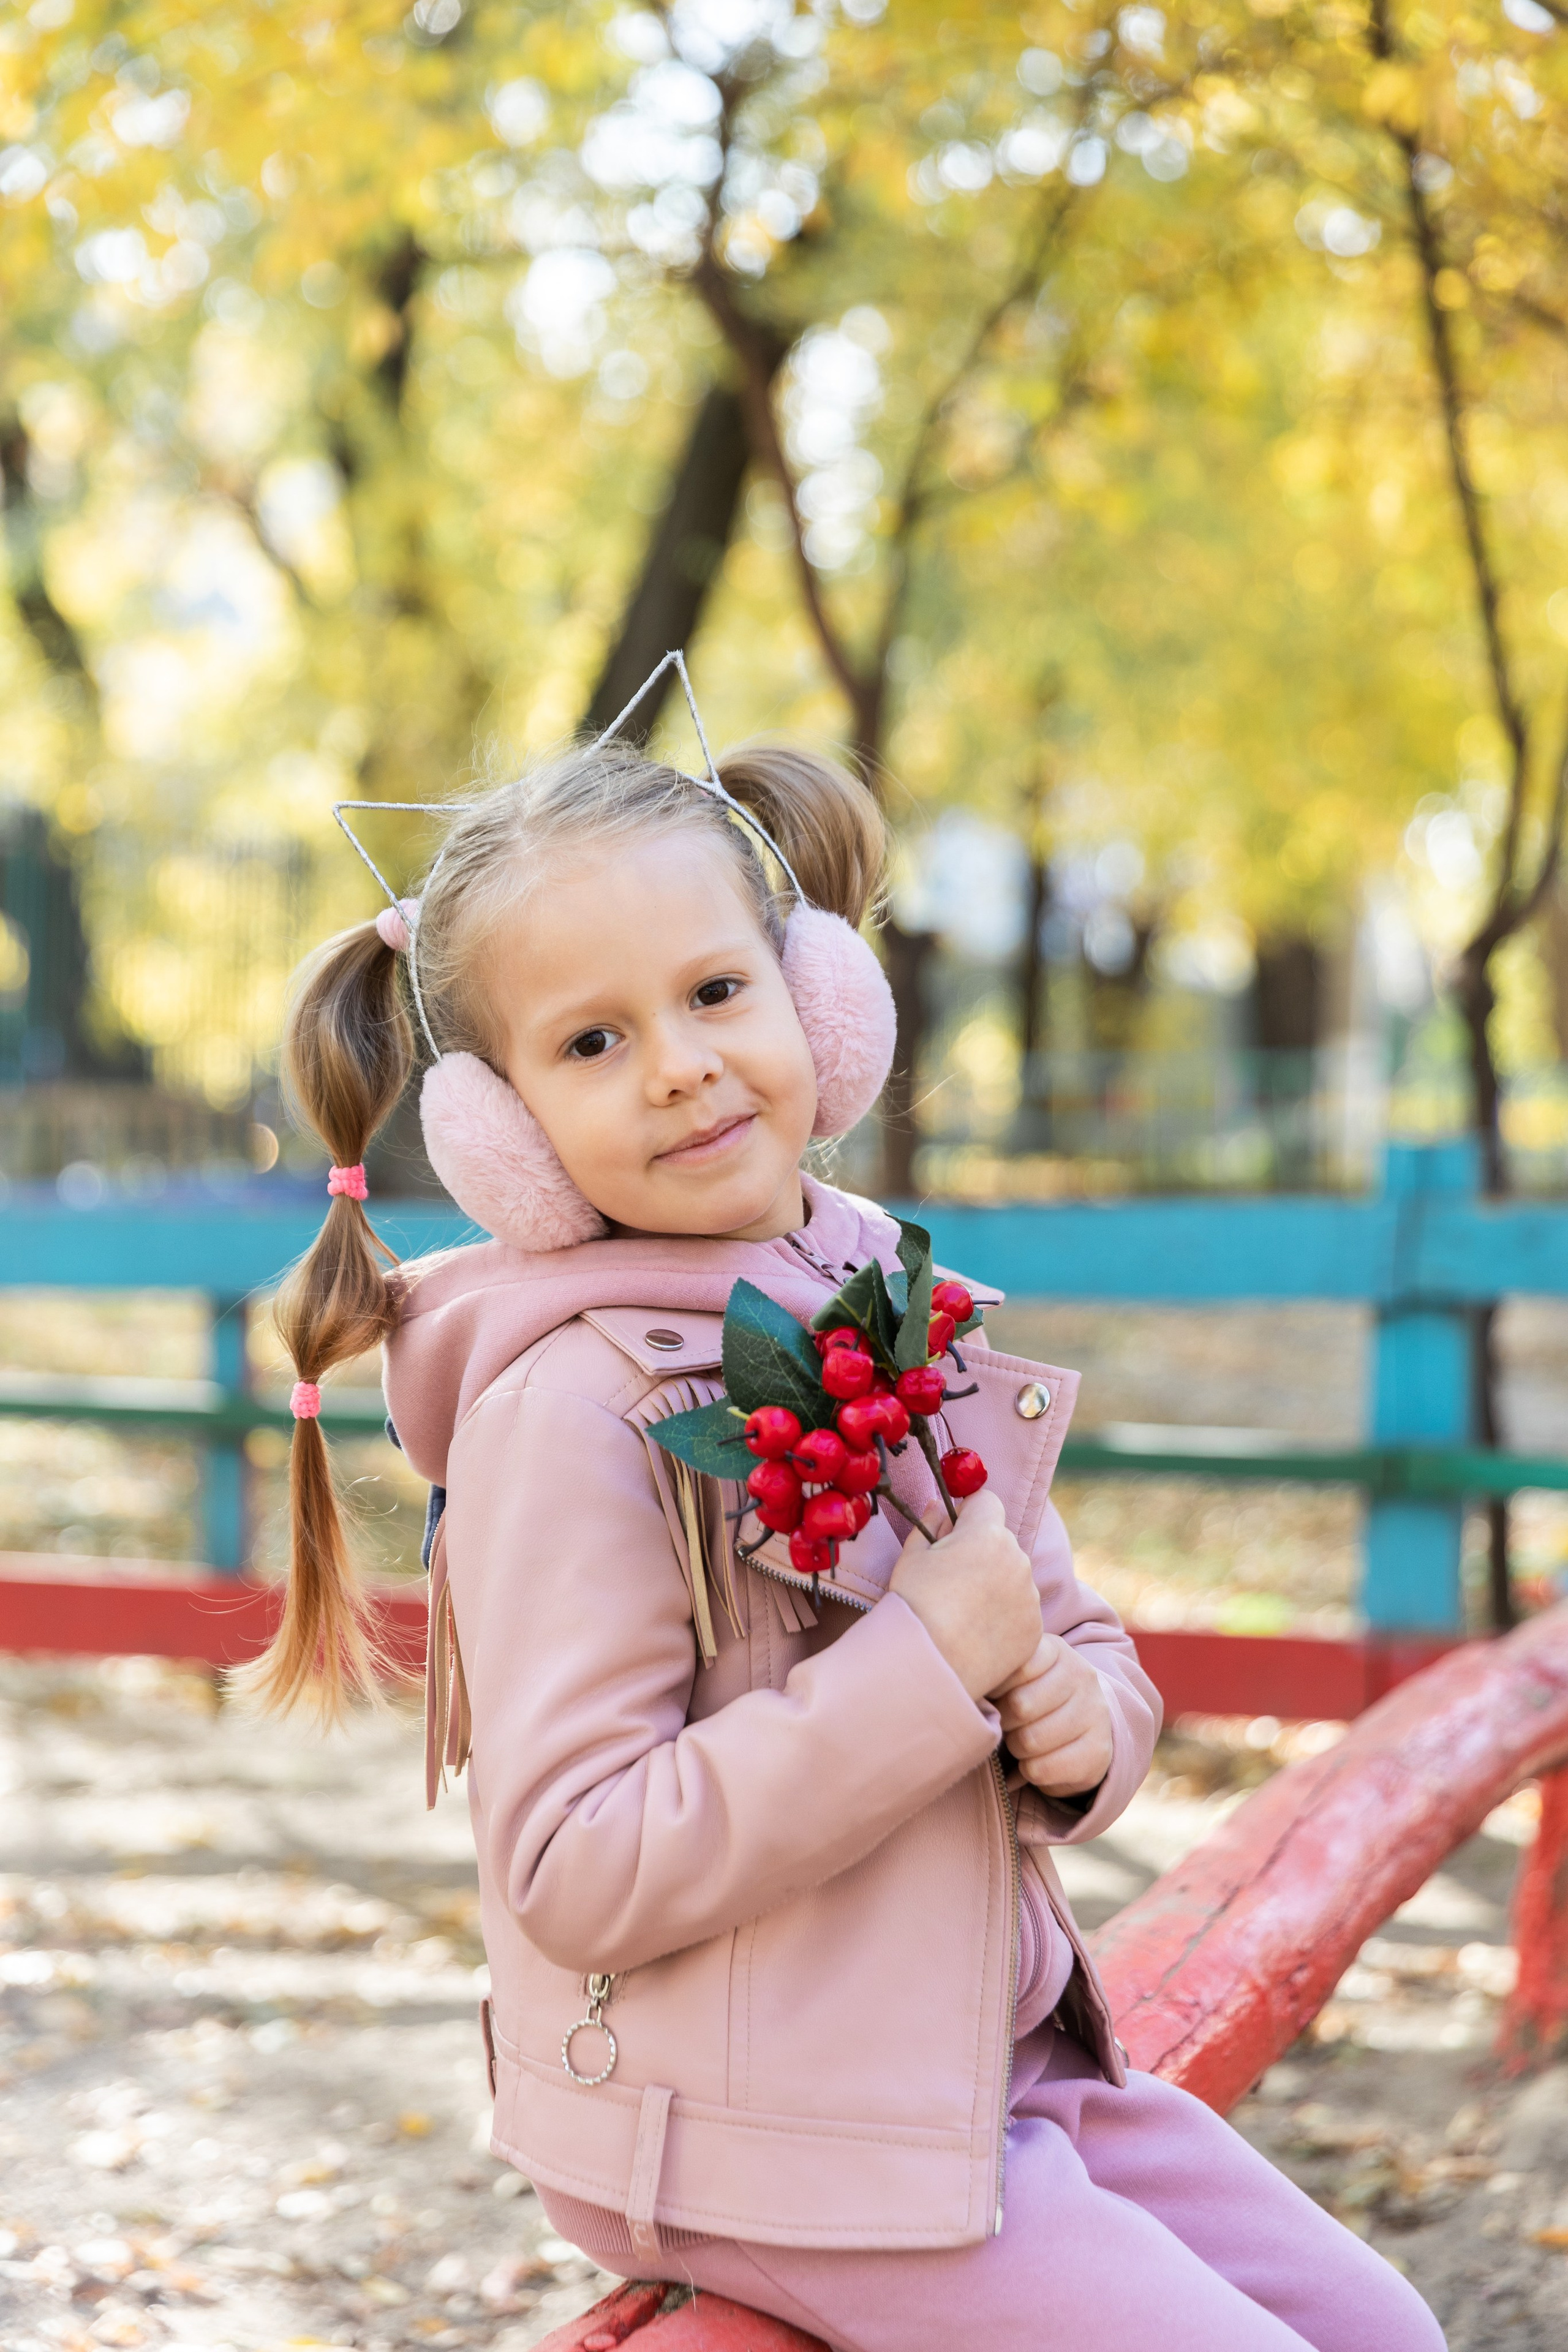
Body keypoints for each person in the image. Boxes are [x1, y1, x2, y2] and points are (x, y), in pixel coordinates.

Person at [257, 698, 1445, 2352]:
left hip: (988, 2064)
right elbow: (574, 1866)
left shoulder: (884, 1307)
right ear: (503, 1133)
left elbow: (1072, 1636)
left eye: (716, 992)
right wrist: (924, 1669)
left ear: (823, 998)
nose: (677, 1063)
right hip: (764, 2136)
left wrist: (1070, 1724)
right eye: (591, 1043)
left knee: (1394, 2335)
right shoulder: (569, 1412)